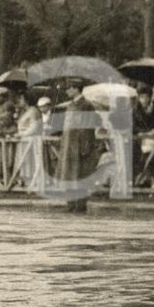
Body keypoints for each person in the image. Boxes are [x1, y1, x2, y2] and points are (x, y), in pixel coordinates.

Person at [55, 77, 99, 213]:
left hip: (79, 145)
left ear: (76, 88)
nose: (67, 91)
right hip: (69, 144)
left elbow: (88, 127)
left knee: (80, 175)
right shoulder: (70, 105)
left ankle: (80, 204)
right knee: (69, 174)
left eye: (69, 88)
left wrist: (86, 145)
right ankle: (71, 202)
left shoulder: (86, 105)